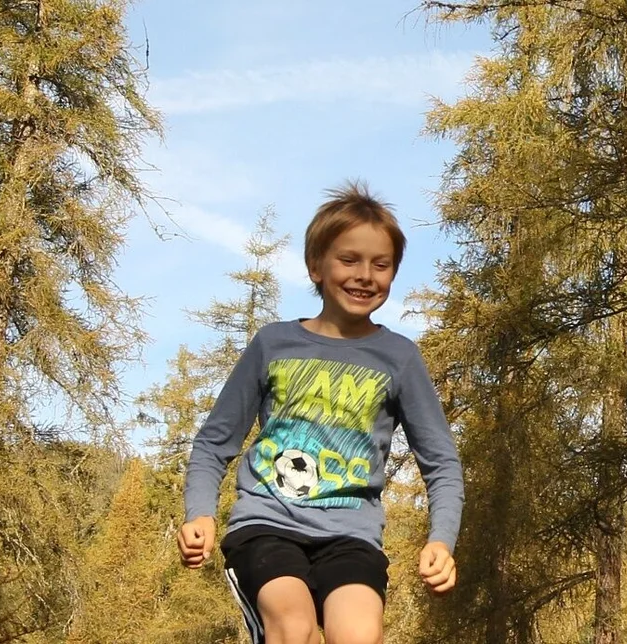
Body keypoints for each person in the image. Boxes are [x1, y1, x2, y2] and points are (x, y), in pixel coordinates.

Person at [177, 182, 463, 644]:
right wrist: (201, 514)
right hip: (266, 525)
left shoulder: (399, 357)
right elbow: (215, 441)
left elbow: (442, 462)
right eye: (349, 260)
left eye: (381, 264)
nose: (365, 275)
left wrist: (441, 541)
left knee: (360, 634)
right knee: (294, 628)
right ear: (316, 266)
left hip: (352, 536)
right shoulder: (274, 344)